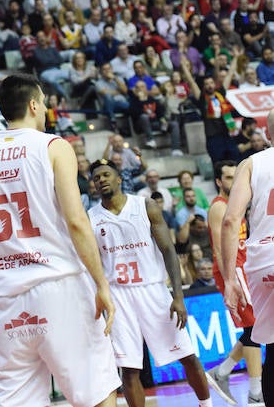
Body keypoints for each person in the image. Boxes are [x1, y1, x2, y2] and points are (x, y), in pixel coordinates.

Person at [0, 73, 119, 407]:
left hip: (4, 299)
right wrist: (101, 283)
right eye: (44, 103)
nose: (46, 109)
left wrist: (6, 261)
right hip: (58, 286)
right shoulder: (53, 146)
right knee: (97, 391)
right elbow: (76, 221)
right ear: (34, 105)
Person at [87, 159, 218, 407]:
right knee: (129, 368)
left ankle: (206, 404)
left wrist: (177, 297)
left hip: (153, 290)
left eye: (106, 175)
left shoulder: (145, 205)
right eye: (96, 178)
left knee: (187, 356)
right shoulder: (91, 218)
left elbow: (168, 250)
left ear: (119, 178)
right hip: (118, 296)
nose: (101, 180)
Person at [221, 108, 274, 406]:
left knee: (272, 345)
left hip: (263, 261)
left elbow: (231, 220)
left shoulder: (251, 163)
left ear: (266, 134)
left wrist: (230, 280)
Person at [206, 160, 263, 404]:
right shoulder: (219, 207)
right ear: (219, 182)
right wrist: (230, 279)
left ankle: (222, 372)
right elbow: (219, 250)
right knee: (253, 328)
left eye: (235, 176)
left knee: (256, 326)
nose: (233, 181)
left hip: (243, 266)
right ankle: (255, 392)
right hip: (233, 270)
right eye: (228, 177)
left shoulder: (236, 203)